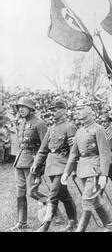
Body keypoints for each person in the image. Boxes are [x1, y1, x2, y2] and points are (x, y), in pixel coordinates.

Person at [61, 99, 112, 232]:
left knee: (87, 201)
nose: (77, 112)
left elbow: (105, 153)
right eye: (77, 109)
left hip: (95, 170)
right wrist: (66, 172)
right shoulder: (79, 131)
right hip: (83, 170)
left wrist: (104, 174)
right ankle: (109, 226)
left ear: (89, 110)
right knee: (94, 200)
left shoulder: (98, 129)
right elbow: (73, 154)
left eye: (80, 109)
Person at [31, 99, 78, 232]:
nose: (53, 113)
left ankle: (44, 226)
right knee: (65, 196)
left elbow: (73, 151)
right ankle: (73, 223)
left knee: (53, 196)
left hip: (63, 166)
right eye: (51, 110)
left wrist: (72, 169)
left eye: (55, 110)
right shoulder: (51, 128)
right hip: (51, 166)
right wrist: (36, 163)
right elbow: (43, 149)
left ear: (63, 111)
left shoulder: (70, 127)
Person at [7, 97, 48, 231]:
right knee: (20, 192)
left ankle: (51, 208)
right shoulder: (21, 123)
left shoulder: (39, 123)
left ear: (31, 108)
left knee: (32, 192)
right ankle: (21, 222)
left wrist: (41, 166)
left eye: (23, 107)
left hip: (33, 162)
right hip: (20, 161)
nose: (21, 109)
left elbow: (45, 146)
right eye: (19, 107)